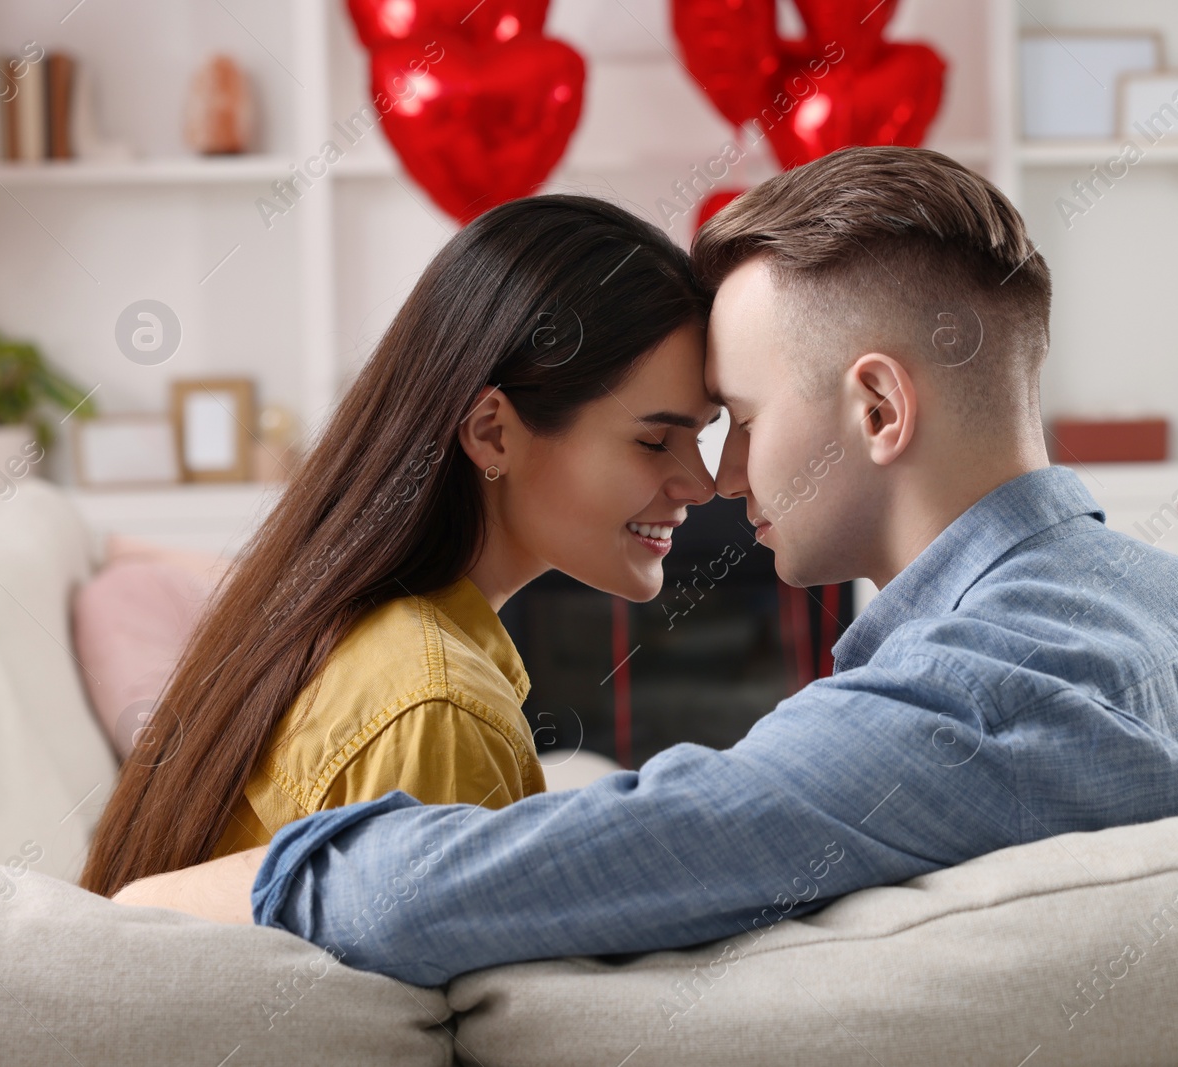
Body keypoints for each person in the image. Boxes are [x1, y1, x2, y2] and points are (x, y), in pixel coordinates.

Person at [111, 147, 1178, 984]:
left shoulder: (965, 698)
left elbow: (446, 890)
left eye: (741, 415)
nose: (722, 474)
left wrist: (146, 915)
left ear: (877, 408)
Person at [81, 196, 718, 897]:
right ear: (493, 433)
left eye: (704, 432)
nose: (701, 481)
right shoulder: (435, 709)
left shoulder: (358, 629)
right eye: (655, 440)